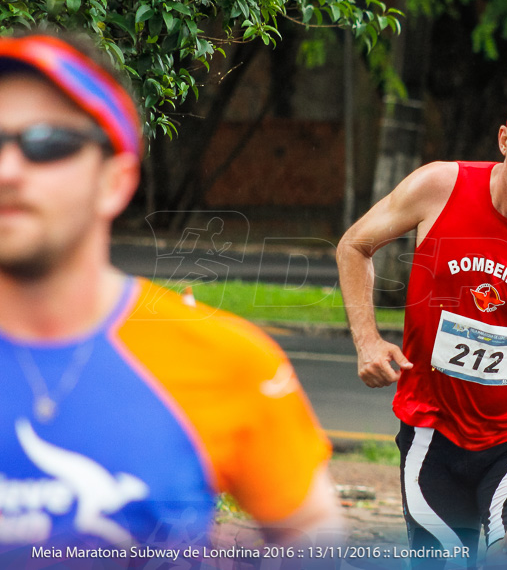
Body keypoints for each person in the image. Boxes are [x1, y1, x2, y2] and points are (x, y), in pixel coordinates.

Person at [0, 31, 343, 554]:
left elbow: (314, 537)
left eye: (48, 144)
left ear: (114, 181)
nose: (8, 171)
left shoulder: (230, 363)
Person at [337, 81, 507, 565]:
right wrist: (367, 341)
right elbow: (354, 246)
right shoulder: (440, 186)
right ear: (504, 139)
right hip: (430, 431)